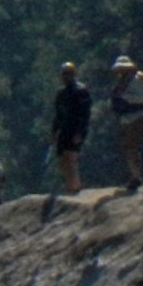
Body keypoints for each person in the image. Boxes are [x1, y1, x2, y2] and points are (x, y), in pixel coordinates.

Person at [50, 62, 93, 193]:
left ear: (73, 74)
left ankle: (76, 187)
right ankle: (69, 187)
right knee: (63, 160)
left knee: (71, 157)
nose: (65, 76)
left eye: (68, 73)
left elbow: (85, 114)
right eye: (63, 74)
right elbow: (58, 114)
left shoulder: (81, 91)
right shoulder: (61, 94)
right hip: (64, 130)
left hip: (75, 129)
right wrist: (54, 131)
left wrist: (80, 132)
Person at [110, 56, 143, 190]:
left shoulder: (136, 81)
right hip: (126, 119)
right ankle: (135, 176)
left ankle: (136, 176)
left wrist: (124, 97)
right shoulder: (121, 83)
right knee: (129, 149)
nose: (120, 71)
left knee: (132, 148)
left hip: (137, 117)